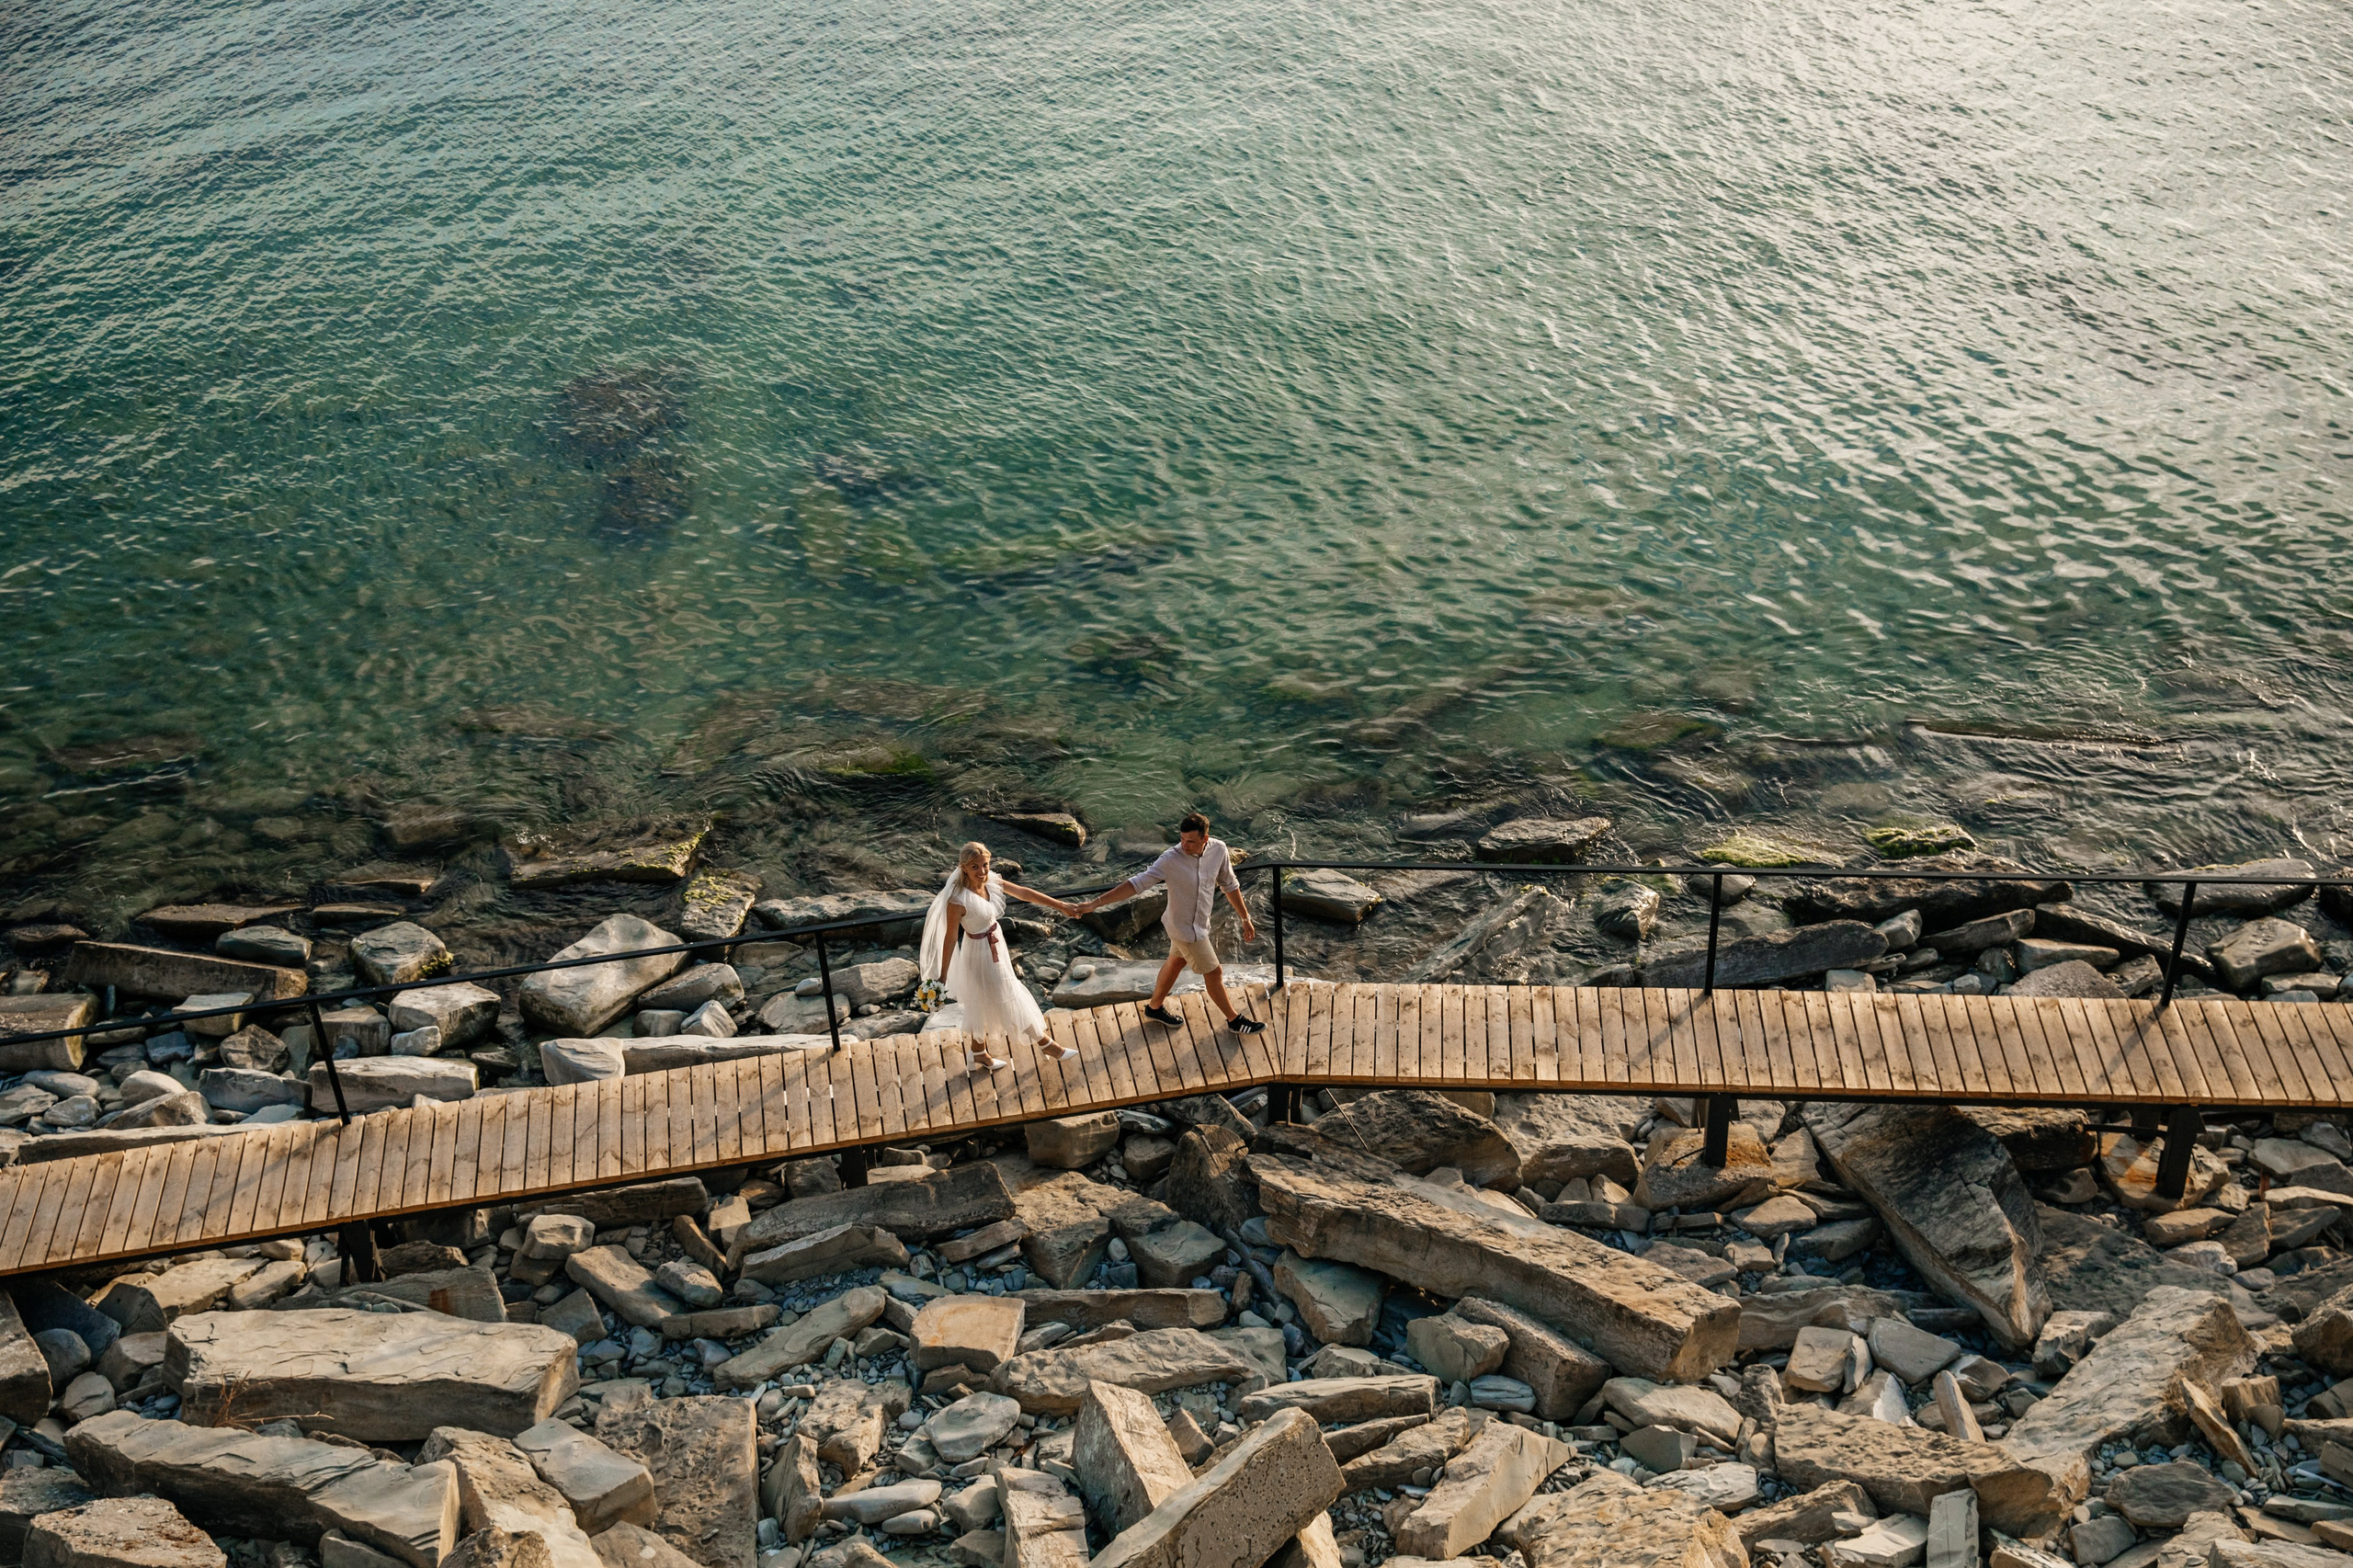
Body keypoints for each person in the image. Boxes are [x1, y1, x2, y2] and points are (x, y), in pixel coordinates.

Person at [1076, 811, 1265, 1034]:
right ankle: (1235, 1020)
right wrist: (1095, 903)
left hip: (1200, 924)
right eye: (1182, 839)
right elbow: (1136, 884)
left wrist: (1245, 918)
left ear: (1206, 838)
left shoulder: (1219, 850)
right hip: (1185, 930)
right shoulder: (1170, 859)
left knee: (1176, 962)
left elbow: (1230, 885)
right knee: (1214, 973)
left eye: (1191, 841)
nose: (1184, 845)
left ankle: (1154, 1008)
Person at [919, 841, 1078, 1072]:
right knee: (1010, 996)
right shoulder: (957, 900)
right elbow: (950, 938)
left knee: (981, 1003)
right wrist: (942, 976)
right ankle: (1046, 1044)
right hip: (979, 955)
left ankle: (978, 1053)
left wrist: (1061, 905)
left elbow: (1023, 893)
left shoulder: (991, 881)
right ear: (963, 868)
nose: (982, 871)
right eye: (975, 867)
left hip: (997, 945)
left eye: (985, 865)